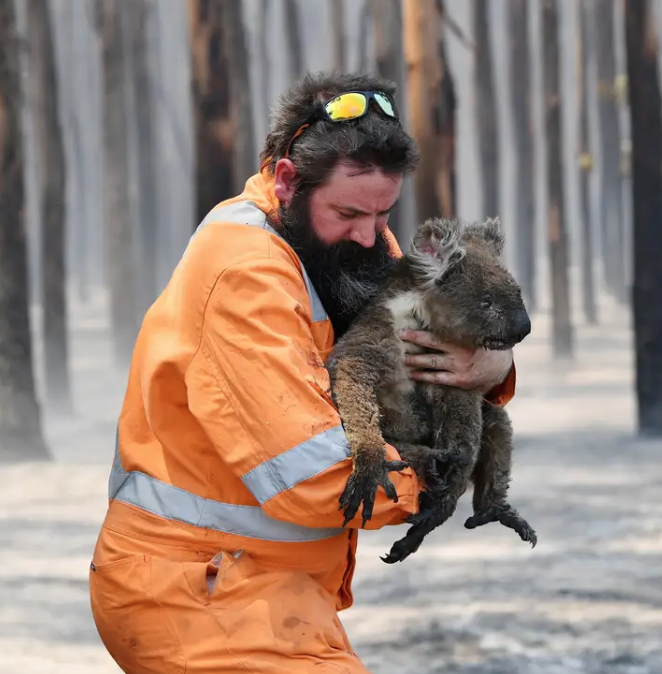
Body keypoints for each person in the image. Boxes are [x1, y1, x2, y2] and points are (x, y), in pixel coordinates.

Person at [88, 71, 517, 674]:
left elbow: (435, 335)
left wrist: (495, 364)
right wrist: (443, 474)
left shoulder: (346, 241)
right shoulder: (245, 274)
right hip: (195, 592)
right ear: (289, 181)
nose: (370, 235)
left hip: (267, 589)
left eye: (384, 213)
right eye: (350, 212)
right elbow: (314, 476)